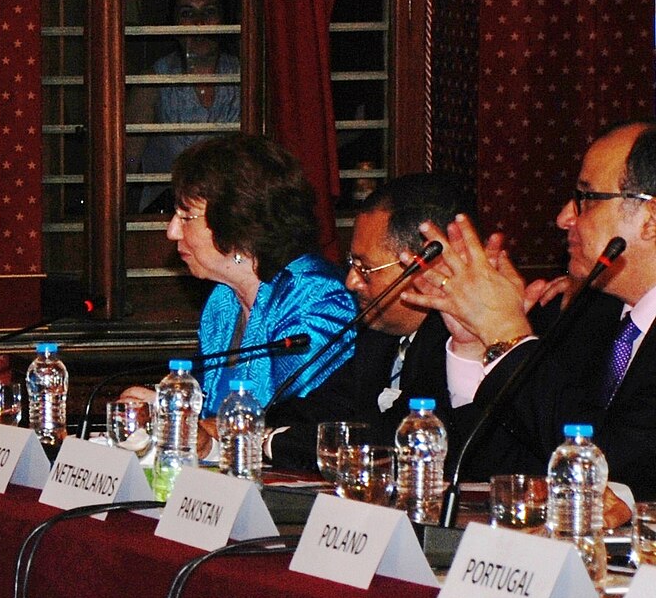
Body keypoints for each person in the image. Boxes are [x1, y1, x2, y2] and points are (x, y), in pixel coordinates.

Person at [405, 120, 656, 494]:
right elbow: (511, 467)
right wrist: (474, 346)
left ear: (650, 219)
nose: (563, 218)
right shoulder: (589, 317)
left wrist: (506, 333)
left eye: (585, 198)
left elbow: (608, 471)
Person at [125, 134, 356, 416]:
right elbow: (210, 410)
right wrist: (163, 404)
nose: (171, 231)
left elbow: (289, 418)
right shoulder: (223, 301)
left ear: (238, 222)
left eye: (186, 217)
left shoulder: (316, 298)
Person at [265, 173, 475, 470]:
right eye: (351, 265)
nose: (351, 282)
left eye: (365, 268)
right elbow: (323, 408)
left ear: (427, 264)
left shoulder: (458, 342)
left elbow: (389, 441)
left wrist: (271, 442)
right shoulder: (378, 337)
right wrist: (237, 428)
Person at [126, 0, 241, 212]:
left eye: (209, 12)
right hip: (170, 211)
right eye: (187, 14)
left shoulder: (245, 77)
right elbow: (127, 162)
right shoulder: (153, 83)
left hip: (232, 212)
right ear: (174, 24)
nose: (199, 23)